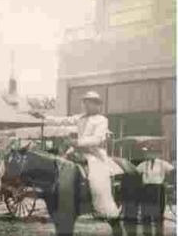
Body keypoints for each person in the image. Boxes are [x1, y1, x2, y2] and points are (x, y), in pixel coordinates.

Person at [36, 90, 123, 219]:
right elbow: (62, 120)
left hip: (94, 152)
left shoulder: (102, 120)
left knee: (96, 178)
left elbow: (97, 139)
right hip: (77, 151)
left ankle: (104, 209)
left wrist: (78, 142)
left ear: (97, 105)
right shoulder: (80, 117)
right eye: (85, 103)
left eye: (90, 103)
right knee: (57, 166)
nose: (86, 106)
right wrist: (43, 117)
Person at [136, 145, 175, 236]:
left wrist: (169, 182)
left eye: (153, 153)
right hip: (146, 189)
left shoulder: (163, 164)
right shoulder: (143, 164)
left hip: (158, 189)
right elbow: (135, 172)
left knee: (158, 213)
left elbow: (173, 171)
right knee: (146, 213)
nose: (151, 155)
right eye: (149, 153)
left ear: (157, 154)